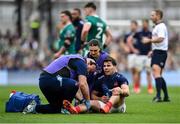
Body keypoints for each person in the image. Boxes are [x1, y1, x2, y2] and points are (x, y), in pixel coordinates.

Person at [23, 54, 90, 114]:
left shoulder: (76, 62)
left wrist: (82, 100)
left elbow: (73, 89)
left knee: (56, 108)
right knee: (74, 84)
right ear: (90, 63)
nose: (88, 72)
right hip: (49, 79)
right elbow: (82, 84)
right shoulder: (81, 62)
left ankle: (33, 108)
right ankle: (65, 108)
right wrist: (87, 102)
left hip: (44, 81)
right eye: (91, 70)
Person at [63, 56, 130, 114]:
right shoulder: (101, 79)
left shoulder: (120, 78)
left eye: (108, 66)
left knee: (117, 91)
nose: (106, 68)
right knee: (90, 102)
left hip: (119, 106)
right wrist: (100, 98)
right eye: (104, 66)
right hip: (104, 107)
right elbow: (93, 95)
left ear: (114, 66)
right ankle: (74, 109)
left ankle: (108, 106)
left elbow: (127, 92)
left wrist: (120, 91)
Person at [142, 9, 170, 102]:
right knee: (158, 75)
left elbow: (161, 38)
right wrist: (152, 50)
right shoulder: (157, 26)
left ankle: (158, 96)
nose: (151, 17)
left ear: (158, 16)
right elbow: (158, 41)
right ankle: (165, 96)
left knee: (156, 73)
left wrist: (149, 40)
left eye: (152, 15)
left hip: (160, 52)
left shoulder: (161, 26)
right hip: (157, 51)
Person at [127, 19, 153, 94]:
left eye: (145, 23)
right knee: (138, 72)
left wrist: (151, 51)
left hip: (148, 56)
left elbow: (153, 43)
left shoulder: (151, 33)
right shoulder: (138, 33)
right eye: (143, 23)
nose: (144, 25)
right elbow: (129, 40)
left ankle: (150, 88)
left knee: (148, 72)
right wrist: (133, 49)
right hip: (139, 55)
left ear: (148, 24)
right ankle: (137, 87)